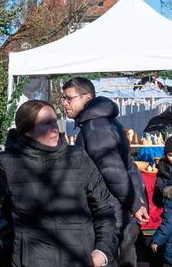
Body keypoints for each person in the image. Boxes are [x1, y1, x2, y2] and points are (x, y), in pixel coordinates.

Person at [0, 99, 118, 267]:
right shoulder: (7, 163)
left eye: (55, 121)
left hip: (80, 258)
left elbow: (104, 208)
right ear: (27, 130)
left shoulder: (77, 157)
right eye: (45, 123)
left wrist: (102, 252)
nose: (54, 129)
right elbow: (0, 205)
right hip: (31, 260)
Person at [62, 77, 149, 267]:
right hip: (116, 211)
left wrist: (134, 203)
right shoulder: (99, 123)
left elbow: (112, 170)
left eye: (69, 98)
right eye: (64, 98)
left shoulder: (96, 126)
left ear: (87, 98)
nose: (64, 103)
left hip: (111, 214)